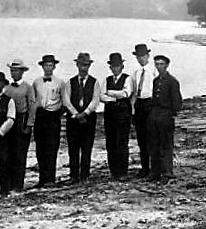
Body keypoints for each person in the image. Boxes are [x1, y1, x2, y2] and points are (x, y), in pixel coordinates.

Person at [63, 52, 101, 184]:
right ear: (77, 65)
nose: (83, 67)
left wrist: (85, 113)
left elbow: (95, 101)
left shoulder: (94, 82)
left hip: (88, 119)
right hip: (73, 120)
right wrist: (75, 115)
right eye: (81, 65)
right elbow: (66, 101)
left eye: (86, 65)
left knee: (86, 147)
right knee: (73, 147)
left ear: (89, 66)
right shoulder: (70, 82)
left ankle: (85, 175)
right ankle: (74, 175)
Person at [148, 55, 182, 184]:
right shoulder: (156, 80)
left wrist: (170, 114)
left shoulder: (172, 81)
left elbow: (177, 103)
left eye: (161, 64)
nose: (159, 67)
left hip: (166, 116)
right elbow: (154, 99)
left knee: (166, 145)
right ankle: (155, 172)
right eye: (157, 64)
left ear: (167, 65)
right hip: (155, 116)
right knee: (154, 144)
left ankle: (167, 172)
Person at [3, 58, 36, 192]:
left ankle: (18, 184)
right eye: (12, 70)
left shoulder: (28, 88)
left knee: (20, 154)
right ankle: (10, 183)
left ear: (22, 72)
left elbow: (32, 106)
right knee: (9, 153)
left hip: (22, 120)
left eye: (16, 70)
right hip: (9, 121)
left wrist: (29, 125)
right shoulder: (7, 89)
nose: (14, 73)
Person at [100, 52, 133, 181]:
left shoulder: (128, 78)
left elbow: (126, 93)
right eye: (113, 66)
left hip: (123, 114)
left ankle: (123, 171)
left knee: (122, 142)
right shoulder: (107, 80)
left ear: (122, 66)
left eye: (118, 66)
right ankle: (113, 171)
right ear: (110, 67)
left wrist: (110, 93)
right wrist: (114, 98)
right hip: (109, 114)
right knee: (111, 142)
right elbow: (101, 96)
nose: (115, 68)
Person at [32, 54, 64, 188]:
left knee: (52, 147)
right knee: (40, 148)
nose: (48, 68)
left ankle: (51, 178)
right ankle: (42, 178)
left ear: (54, 67)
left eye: (51, 65)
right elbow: (33, 101)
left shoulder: (60, 82)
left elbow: (64, 101)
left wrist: (57, 114)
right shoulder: (36, 82)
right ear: (42, 66)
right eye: (46, 65)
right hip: (40, 116)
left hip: (53, 117)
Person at [130, 43, 157, 178]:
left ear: (148, 56)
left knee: (152, 137)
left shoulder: (154, 71)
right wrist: (133, 111)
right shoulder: (135, 73)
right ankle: (145, 167)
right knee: (141, 138)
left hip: (150, 104)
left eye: (143, 56)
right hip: (139, 105)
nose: (141, 59)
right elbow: (134, 93)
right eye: (138, 56)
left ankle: (154, 167)